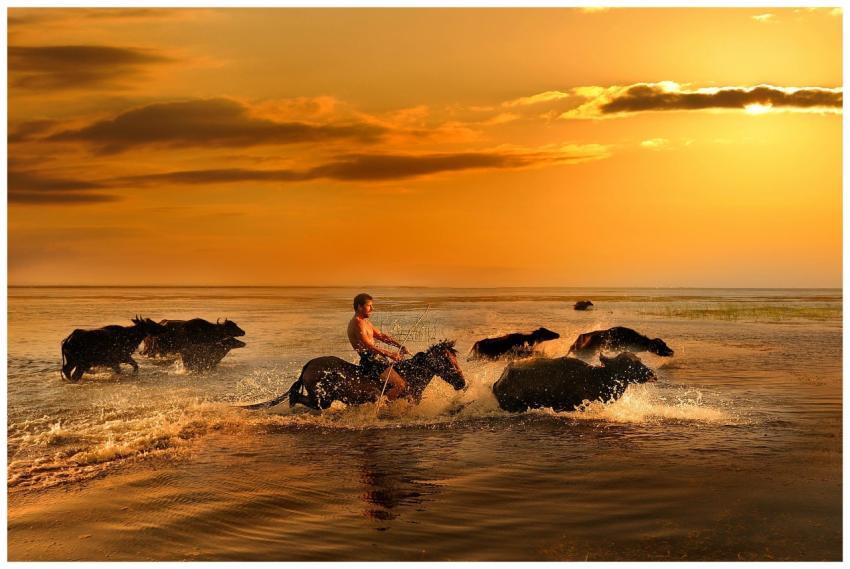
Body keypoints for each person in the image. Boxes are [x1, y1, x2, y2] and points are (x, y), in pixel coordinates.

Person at [347, 293, 411, 401]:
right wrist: (390, 354)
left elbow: (381, 336)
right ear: (359, 307)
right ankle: (385, 408)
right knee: (400, 385)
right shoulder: (357, 323)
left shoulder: (365, 322)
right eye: (369, 306)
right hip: (371, 361)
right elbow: (368, 346)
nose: (372, 308)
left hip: (378, 358)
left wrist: (400, 346)